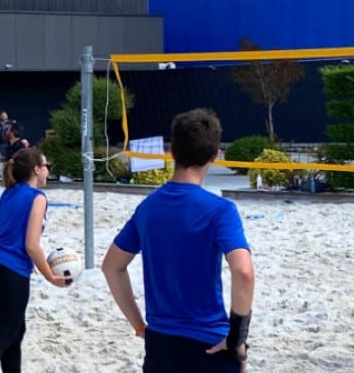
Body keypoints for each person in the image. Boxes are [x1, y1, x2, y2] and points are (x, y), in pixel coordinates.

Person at [102, 108, 254, 373]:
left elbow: (111, 267)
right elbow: (243, 272)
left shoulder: (148, 208)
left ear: (171, 151)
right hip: (208, 345)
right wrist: (237, 339)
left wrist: (139, 326)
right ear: (215, 155)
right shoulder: (220, 210)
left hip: (161, 345)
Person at [0, 148, 70, 372]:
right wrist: (50, 276)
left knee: (15, 331)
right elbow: (31, 244)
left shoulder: (9, 192)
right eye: (47, 167)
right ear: (37, 170)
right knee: (3, 335)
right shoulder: (37, 198)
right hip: (10, 271)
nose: (48, 171)